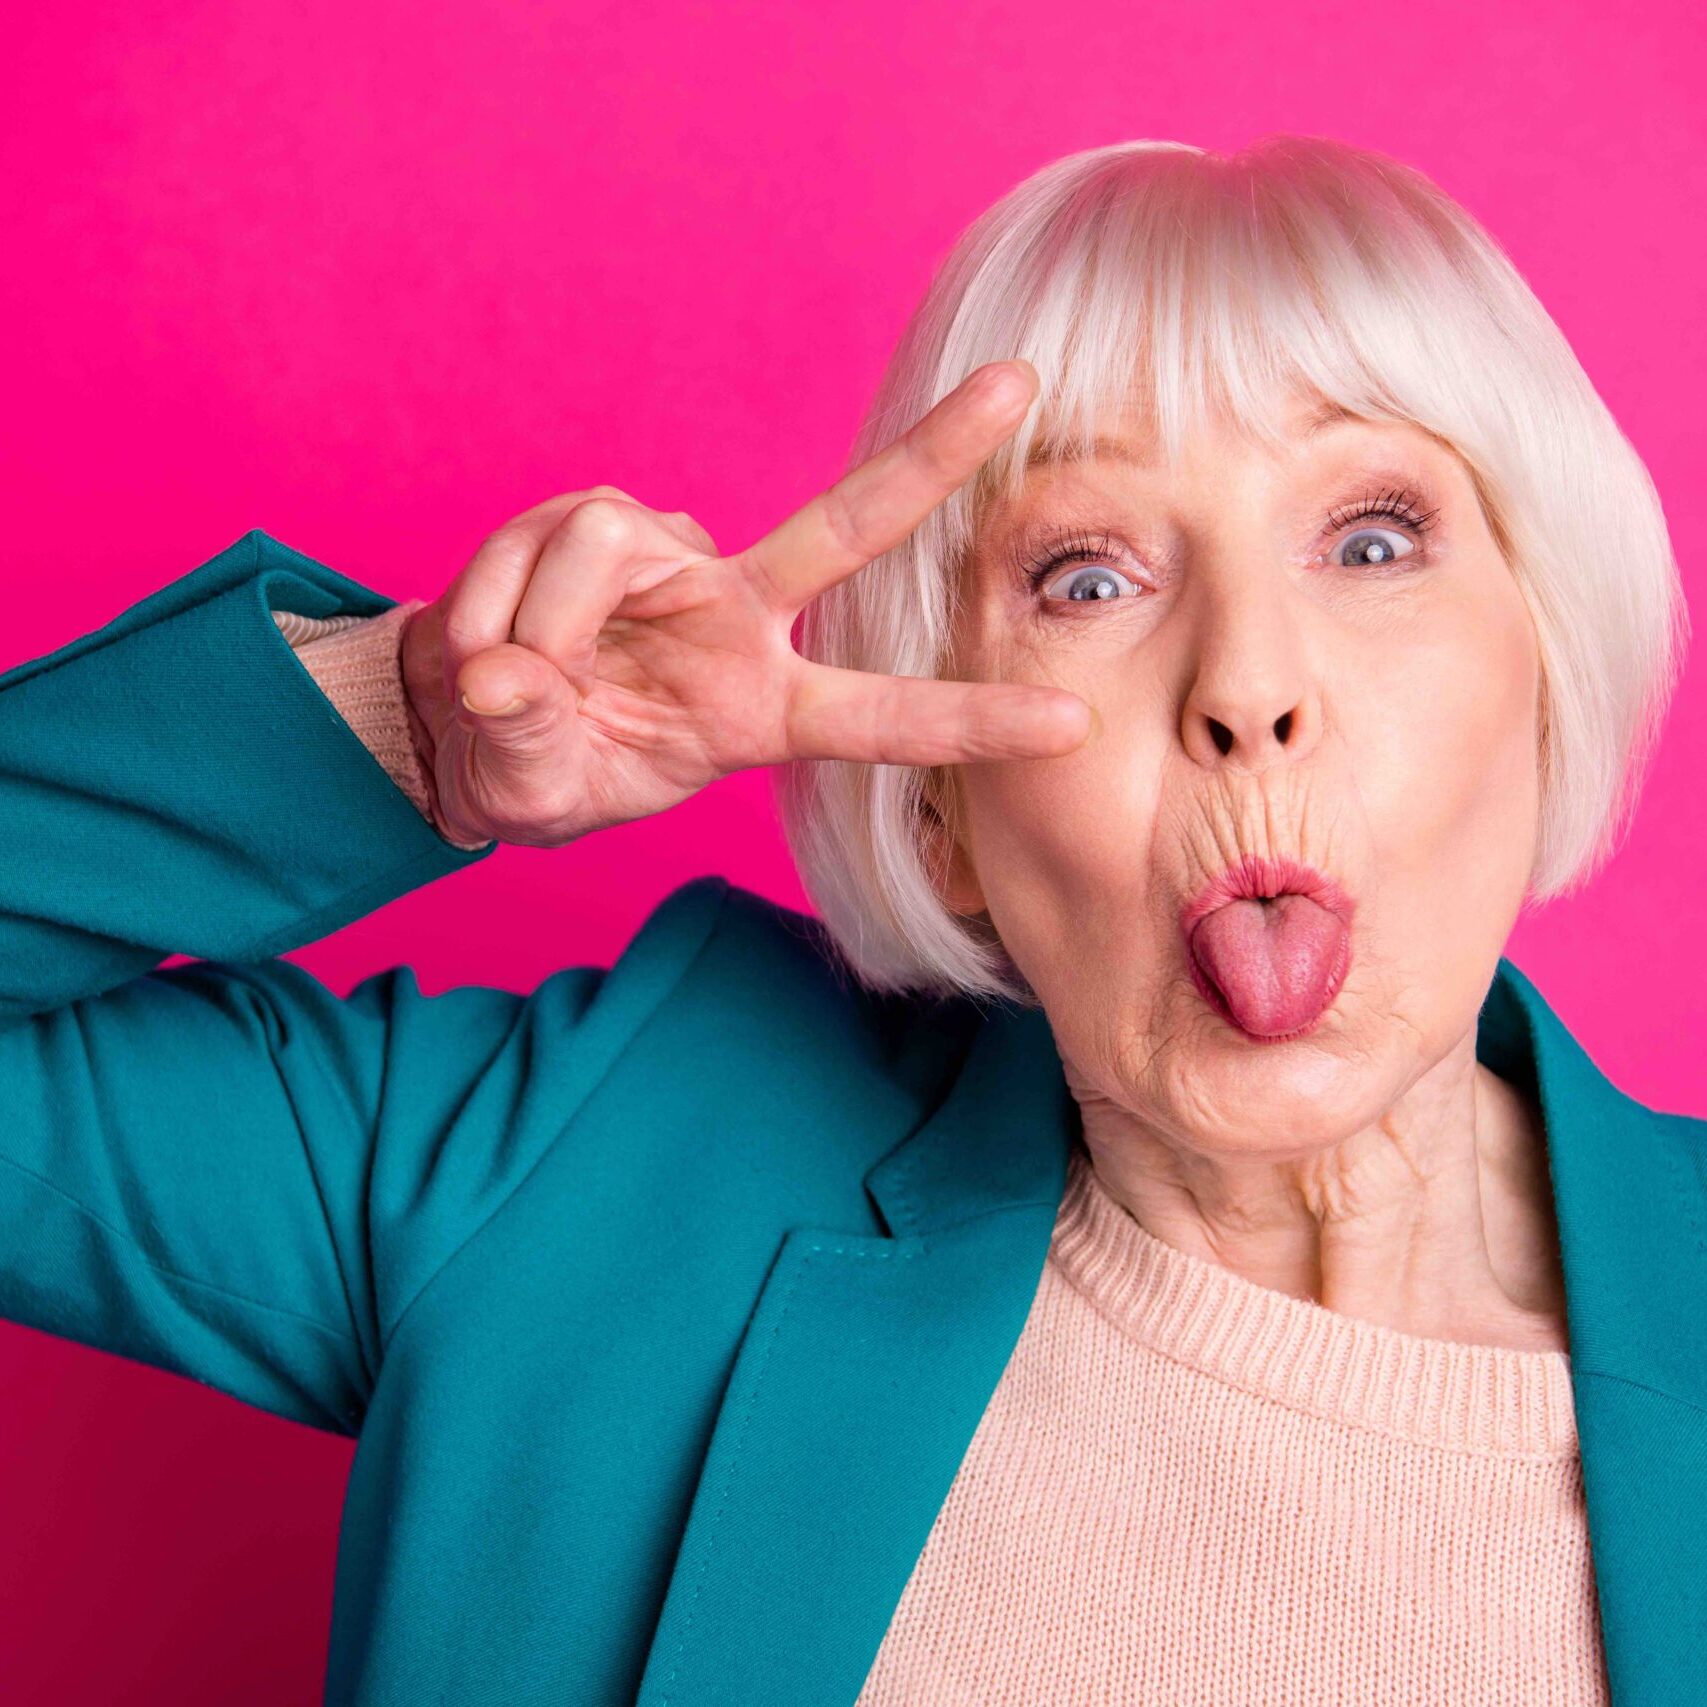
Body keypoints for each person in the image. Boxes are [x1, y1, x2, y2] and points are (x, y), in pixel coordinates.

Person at [0, 134, 1697, 1706]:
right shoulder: (584, 1173)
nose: (1247, 686)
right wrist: (403, 729)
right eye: (1089, 577)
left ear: (1547, 677)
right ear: (941, 810)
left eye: (1374, 539)